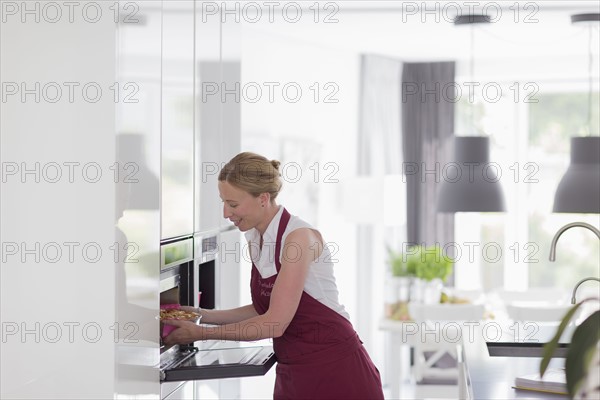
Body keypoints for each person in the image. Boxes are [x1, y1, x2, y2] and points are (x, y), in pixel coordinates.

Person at [164, 152, 384, 400]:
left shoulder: (298, 239)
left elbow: (275, 323)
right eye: (223, 202)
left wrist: (202, 333)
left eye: (233, 204)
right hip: (293, 370)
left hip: (335, 370)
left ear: (263, 199)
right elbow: (264, 309)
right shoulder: (256, 239)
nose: (226, 213)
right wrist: (200, 315)